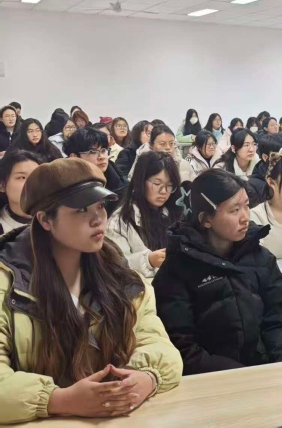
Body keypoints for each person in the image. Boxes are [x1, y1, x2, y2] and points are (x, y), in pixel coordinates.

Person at [0, 158, 182, 424]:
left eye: (100, 206)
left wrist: (146, 377)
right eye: (81, 209)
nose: (98, 218)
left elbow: (158, 343)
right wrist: (58, 400)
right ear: (45, 219)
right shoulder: (9, 284)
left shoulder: (120, 278)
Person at [152, 169, 282, 374]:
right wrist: (243, 376)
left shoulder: (261, 258)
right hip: (212, 381)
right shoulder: (177, 270)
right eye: (234, 210)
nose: (245, 217)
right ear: (206, 219)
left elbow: (279, 322)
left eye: (247, 206)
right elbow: (182, 347)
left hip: (265, 375)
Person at [107, 151, 182, 278]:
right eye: (157, 184)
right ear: (140, 182)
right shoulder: (119, 222)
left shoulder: (175, 214)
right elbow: (116, 266)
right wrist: (148, 261)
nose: (164, 191)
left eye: (170, 185)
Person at [64, 128, 128, 217]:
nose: (101, 157)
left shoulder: (119, 181)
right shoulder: (65, 185)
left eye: (103, 150)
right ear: (74, 157)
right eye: (93, 152)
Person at [128, 125, 196, 183]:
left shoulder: (184, 165)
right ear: (151, 145)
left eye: (171, 143)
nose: (168, 147)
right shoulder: (142, 165)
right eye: (162, 144)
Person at [0, 150, 44, 235]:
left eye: (37, 175)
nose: (32, 182)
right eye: (22, 177)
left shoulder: (58, 217)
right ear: (2, 186)